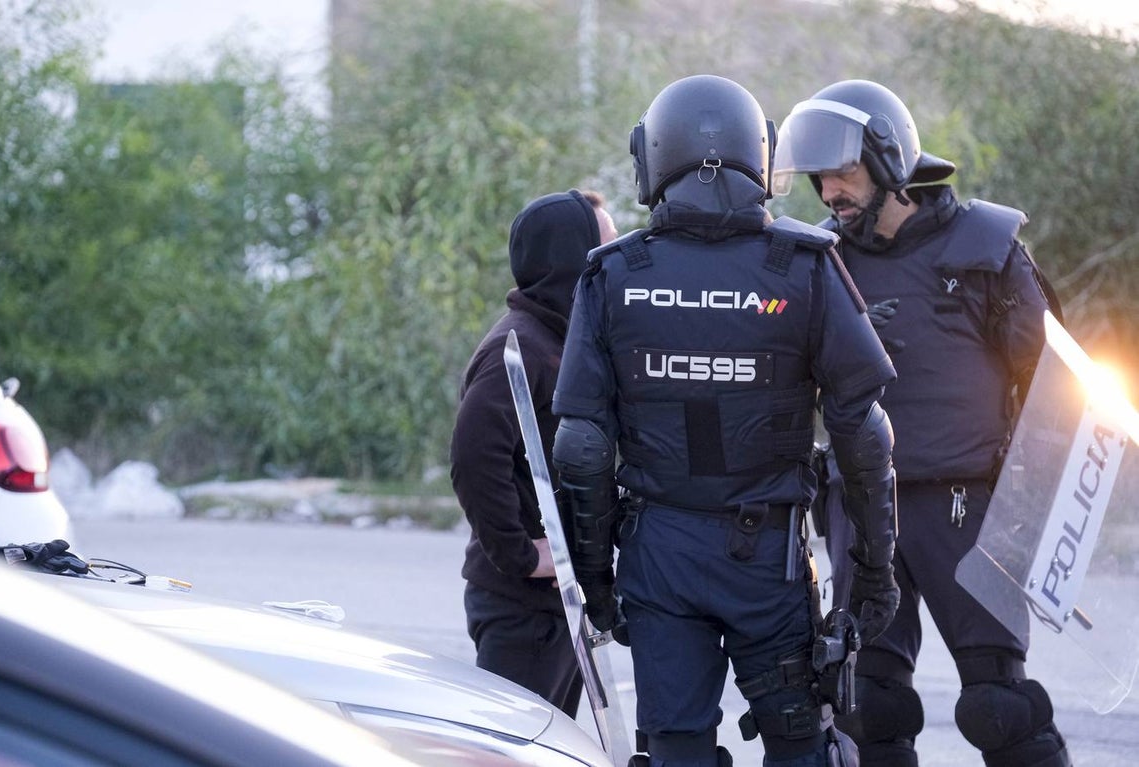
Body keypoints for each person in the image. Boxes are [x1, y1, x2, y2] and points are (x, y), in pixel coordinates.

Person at [551, 74, 901, 767]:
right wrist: (875, 570)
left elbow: (581, 447)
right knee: (802, 748)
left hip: (658, 558)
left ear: (652, 159)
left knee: (675, 748)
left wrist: (594, 580)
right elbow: (864, 433)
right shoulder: (803, 267)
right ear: (760, 158)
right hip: (764, 561)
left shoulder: (615, 274)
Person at [771, 79, 1070, 767]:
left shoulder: (986, 248)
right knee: (868, 704)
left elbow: (1057, 386)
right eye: (818, 178)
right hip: (858, 503)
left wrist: (1034, 502)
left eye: (842, 173)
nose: (829, 193)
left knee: (999, 705)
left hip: (965, 504)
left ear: (888, 160)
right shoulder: (819, 259)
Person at [450, 189, 617, 717]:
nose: (614, 262)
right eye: (604, 248)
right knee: (513, 752)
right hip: (522, 609)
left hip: (557, 603)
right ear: (573, 260)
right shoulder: (517, 349)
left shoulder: (561, 339)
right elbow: (473, 457)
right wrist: (522, 555)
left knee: (548, 748)